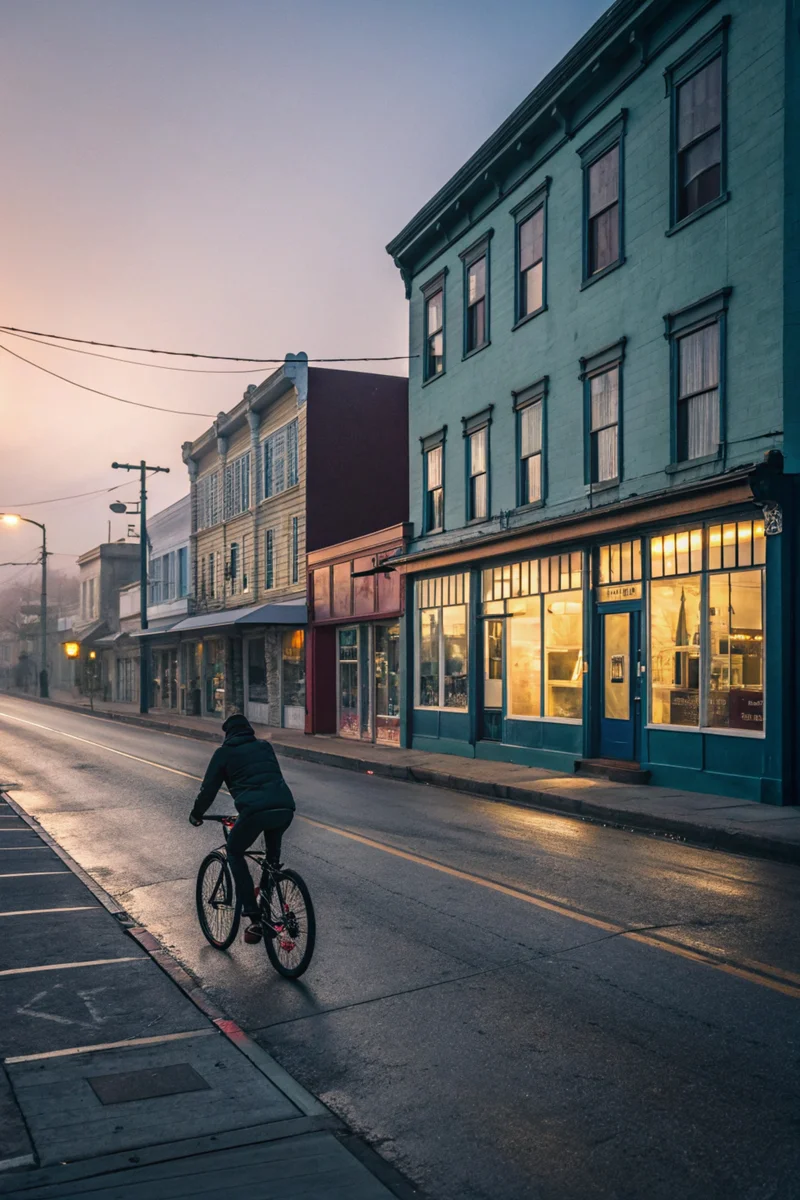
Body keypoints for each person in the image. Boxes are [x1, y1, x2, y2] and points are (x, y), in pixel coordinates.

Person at [189, 712, 295, 943]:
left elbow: (208, 790)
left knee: (235, 852)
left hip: (254, 812)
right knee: (271, 861)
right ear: (249, 731)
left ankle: (254, 917)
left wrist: (197, 814)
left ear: (227, 733)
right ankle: (267, 904)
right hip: (285, 808)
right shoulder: (264, 747)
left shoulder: (223, 753)